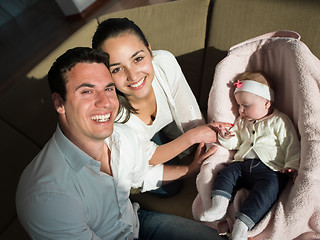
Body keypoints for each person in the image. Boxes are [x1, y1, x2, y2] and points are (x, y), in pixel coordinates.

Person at [16, 47, 225, 240]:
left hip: (138, 224)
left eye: (108, 89)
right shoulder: (47, 196)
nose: (105, 102)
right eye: (87, 91)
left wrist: (189, 169)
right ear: (59, 103)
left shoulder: (121, 136)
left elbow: (142, 175)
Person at [91, 18, 231, 196]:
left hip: (160, 131)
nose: (133, 75)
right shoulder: (112, 113)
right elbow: (147, 156)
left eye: (138, 59)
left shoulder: (164, 63)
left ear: (150, 51)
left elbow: (188, 111)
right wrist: (191, 145)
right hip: (135, 147)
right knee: (169, 188)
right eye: (117, 69)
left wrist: (205, 145)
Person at [199, 72, 301, 240]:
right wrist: (225, 136)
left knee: (268, 190)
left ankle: (242, 224)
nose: (240, 110)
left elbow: (291, 145)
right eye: (239, 105)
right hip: (242, 164)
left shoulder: (280, 121)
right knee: (225, 173)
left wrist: (291, 164)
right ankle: (219, 206)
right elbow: (235, 143)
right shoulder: (241, 121)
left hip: (270, 169)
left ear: (266, 103)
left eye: (245, 106)